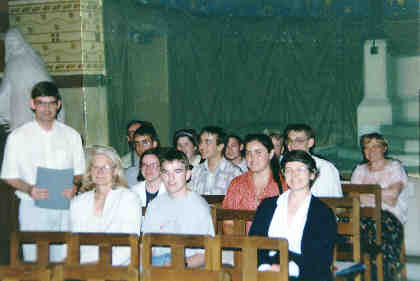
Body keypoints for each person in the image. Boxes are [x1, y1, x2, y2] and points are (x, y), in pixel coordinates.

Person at [1, 81, 85, 262]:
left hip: (65, 205)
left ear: (58, 104)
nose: (46, 108)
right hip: (32, 206)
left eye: (51, 103)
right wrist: (29, 189)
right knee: (36, 260)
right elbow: (8, 176)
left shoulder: (72, 136)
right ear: (32, 104)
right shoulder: (17, 137)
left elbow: (79, 172)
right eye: (41, 103)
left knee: (64, 259)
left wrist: (74, 185)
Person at [249, 150, 337, 281]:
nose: (294, 175)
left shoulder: (323, 212)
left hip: (306, 275)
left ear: (312, 174)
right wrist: (265, 267)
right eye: (288, 170)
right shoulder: (268, 206)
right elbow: (254, 242)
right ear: (283, 174)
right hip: (266, 272)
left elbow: (321, 258)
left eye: (300, 169)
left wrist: (286, 269)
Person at [142, 149, 214, 267]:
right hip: (156, 263)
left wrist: (180, 263)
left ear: (187, 175)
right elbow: (146, 245)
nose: (171, 178)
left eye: (177, 172)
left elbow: (206, 254)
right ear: (161, 175)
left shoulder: (199, 207)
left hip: (186, 264)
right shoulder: (154, 205)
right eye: (166, 172)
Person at [70, 145, 141, 265]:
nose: (100, 171)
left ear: (115, 170)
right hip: (81, 267)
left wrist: (98, 266)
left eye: (105, 167)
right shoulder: (78, 202)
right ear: (89, 171)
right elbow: (72, 243)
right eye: (95, 167)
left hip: (118, 268)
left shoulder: (129, 199)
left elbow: (128, 246)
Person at [351, 132, 408, 280]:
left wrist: (365, 194)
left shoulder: (395, 167)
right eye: (367, 147)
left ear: (384, 148)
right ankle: (358, 273)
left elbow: (393, 196)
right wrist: (378, 194)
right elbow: (352, 196)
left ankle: (382, 275)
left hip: (389, 218)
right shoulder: (359, 169)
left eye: (376, 146)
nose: (371, 150)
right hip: (363, 217)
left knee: (377, 228)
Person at [0, 28, 64, 131]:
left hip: (22, 120)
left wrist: (4, 118)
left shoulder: (12, 64)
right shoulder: (35, 58)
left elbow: (3, 96)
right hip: (46, 114)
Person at [222, 134, 286, 233]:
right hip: (241, 245)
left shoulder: (283, 184)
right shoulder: (237, 184)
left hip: (274, 245)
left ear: (271, 154)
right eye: (248, 153)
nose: (252, 158)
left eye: (258, 152)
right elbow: (228, 223)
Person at [284, 123, 342, 197]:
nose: (293, 145)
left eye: (299, 141)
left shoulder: (325, 168)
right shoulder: (283, 167)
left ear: (310, 143)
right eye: (290, 141)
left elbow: (336, 202)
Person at [190, 126, 241, 195]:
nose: (201, 147)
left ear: (220, 146)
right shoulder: (196, 171)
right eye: (201, 142)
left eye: (207, 142)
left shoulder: (234, 173)